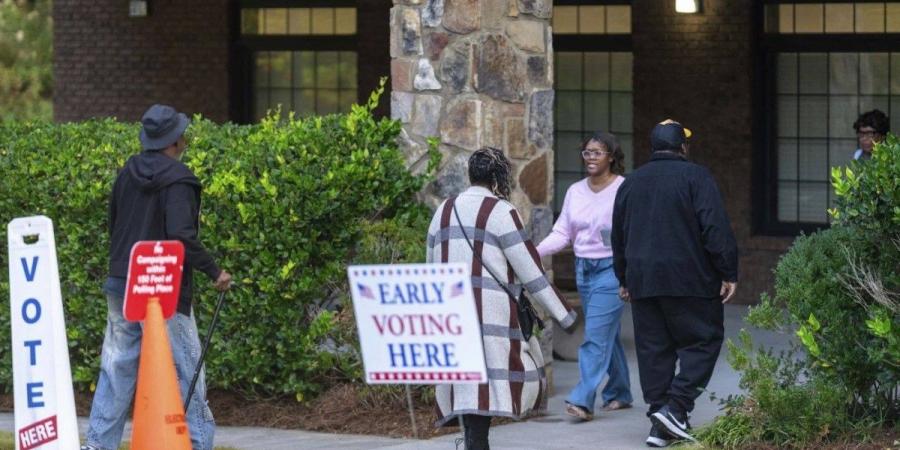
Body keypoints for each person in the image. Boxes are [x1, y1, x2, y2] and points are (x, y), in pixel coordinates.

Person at [82, 104, 232, 450]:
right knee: (184, 370)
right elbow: (182, 235)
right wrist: (214, 271)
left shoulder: (126, 174)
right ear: (176, 140)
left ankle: (97, 445)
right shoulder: (180, 180)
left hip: (123, 284)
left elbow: (114, 225)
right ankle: (196, 443)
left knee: (116, 371)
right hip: (164, 291)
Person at [426, 147, 577, 450]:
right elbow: (530, 270)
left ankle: (472, 442)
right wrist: (566, 316)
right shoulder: (501, 211)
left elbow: (430, 267)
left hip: (452, 319)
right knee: (487, 389)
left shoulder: (443, 210)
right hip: (491, 319)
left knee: (469, 393)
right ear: (499, 178)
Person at [611, 120, 738, 447]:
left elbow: (618, 236)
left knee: (654, 350)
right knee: (704, 341)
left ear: (653, 147)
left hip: (643, 280)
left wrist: (623, 276)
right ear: (683, 147)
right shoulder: (697, 177)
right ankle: (677, 407)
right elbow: (715, 229)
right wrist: (728, 271)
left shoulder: (631, 183)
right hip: (690, 279)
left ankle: (661, 421)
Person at [536, 131, 633, 421]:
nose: (590, 158)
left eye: (597, 153)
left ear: (612, 157)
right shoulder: (576, 191)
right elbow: (562, 232)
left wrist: (631, 275)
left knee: (594, 336)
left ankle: (582, 399)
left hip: (612, 269)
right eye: (587, 153)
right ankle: (620, 392)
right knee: (607, 333)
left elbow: (633, 233)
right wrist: (533, 252)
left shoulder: (624, 189)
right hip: (584, 269)